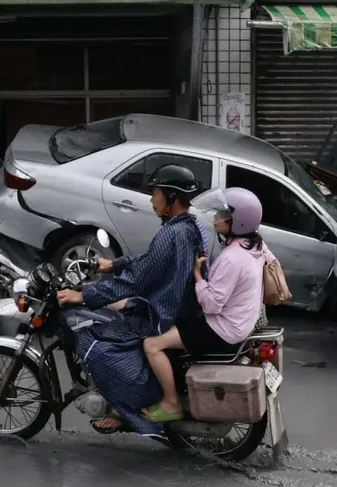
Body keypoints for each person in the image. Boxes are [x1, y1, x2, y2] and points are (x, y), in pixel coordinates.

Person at [55, 164, 208, 436]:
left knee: (96, 344)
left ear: (171, 198)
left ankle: (124, 411)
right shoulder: (190, 228)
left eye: (156, 193)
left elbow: (136, 280)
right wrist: (114, 265)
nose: (152, 199)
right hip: (178, 307)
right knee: (114, 310)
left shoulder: (170, 234)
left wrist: (83, 295)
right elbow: (150, 263)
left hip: (160, 315)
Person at [141, 187, 272, 423]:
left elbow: (212, 305)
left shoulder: (232, 257)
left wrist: (198, 276)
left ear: (238, 222)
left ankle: (171, 403)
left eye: (222, 214)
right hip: (242, 322)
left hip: (222, 330)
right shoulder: (257, 247)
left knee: (152, 344)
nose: (215, 218)